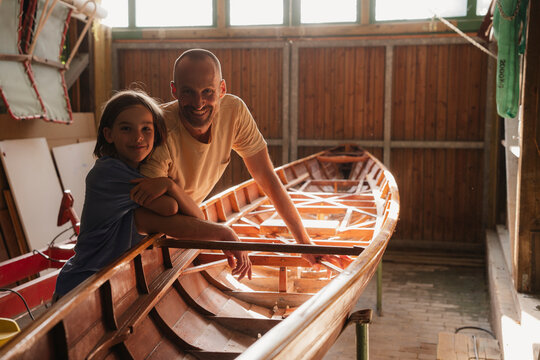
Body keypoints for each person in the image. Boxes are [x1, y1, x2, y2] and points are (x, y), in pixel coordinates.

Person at [138, 49, 347, 268]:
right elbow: (149, 217)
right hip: (147, 233)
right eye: (188, 92)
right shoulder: (159, 130)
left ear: (222, 89)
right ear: (174, 90)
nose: (199, 103)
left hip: (191, 217)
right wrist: (220, 233)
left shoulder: (234, 111)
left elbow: (266, 177)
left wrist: (304, 242)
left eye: (208, 91)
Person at [54, 90, 251, 298]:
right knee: (146, 217)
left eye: (146, 129)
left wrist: (170, 185)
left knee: (142, 218)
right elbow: (170, 209)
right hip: (80, 285)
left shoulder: (139, 172)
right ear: (108, 134)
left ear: (156, 133)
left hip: (106, 285)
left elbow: (195, 217)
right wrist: (225, 234)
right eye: (126, 129)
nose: (138, 137)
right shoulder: (107, 174)